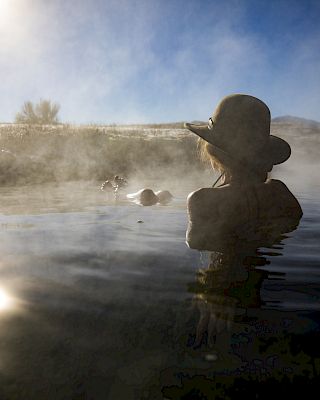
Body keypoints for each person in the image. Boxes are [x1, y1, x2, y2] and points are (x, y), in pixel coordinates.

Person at [184, 94, 303, 251]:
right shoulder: (281, 193)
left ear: (215, 152)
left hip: (221, 274)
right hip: (265, 274)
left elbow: (195, 244)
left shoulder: (203, 200)